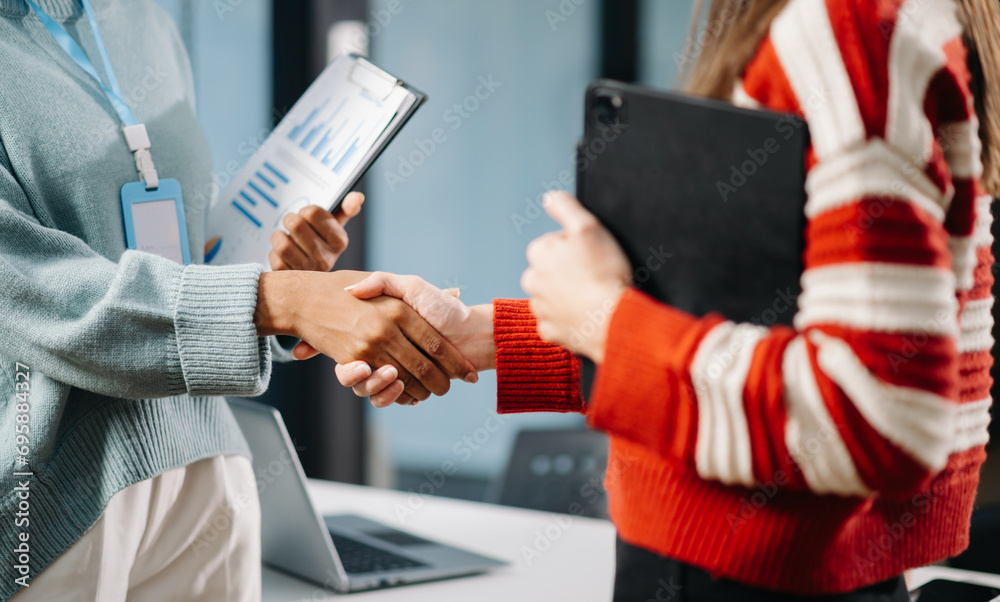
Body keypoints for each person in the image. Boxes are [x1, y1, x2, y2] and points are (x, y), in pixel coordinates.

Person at [288, 0, 1000, 599]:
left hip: (746, 571)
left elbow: (876, 415)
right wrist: (480, 336)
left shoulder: (840, 35)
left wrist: (607, 317)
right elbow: (755, 327)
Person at [0, 1, 475, 600]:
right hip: (52, 504)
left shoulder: (143, 21)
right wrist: (280, 300)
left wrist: (279, 273)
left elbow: (177, 257)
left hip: (209, 465)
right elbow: (33, 293)